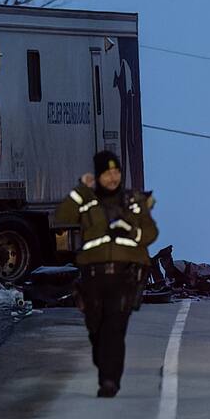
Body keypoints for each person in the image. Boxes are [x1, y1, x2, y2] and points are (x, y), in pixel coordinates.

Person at [54, 150, 157, 398]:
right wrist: (81, 190)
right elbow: (62, 218)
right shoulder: (87, 200)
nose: (113, 178)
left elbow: (150, 232)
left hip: (124, 276)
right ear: (98, 175)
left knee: (114, 326)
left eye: (116, 172)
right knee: (96, 329)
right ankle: (105, 367)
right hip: (93, 276)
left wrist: (130, 231)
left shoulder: (132, 201)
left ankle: (109, 380)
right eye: (107, 173)